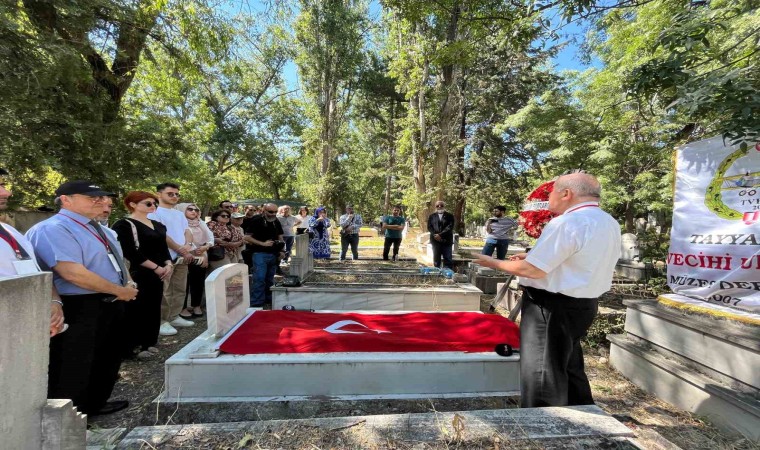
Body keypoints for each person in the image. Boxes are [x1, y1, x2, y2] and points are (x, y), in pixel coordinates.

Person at [475, 173, 621, 408]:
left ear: (566, 194)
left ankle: (544, 421)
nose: (548, 197)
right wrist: (532, 254)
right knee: (567, 362)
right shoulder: (607, 221)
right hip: (583, 304)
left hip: (551, 307)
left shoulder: (567, 222)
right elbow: (578, 257)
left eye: (551, 192)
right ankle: (580, 409)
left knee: (541, 369)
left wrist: (492, 262)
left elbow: (532, 271)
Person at [26, 180, 138, 416]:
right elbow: (71, 272)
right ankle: (71, 418)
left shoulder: (101, 228)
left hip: (111, 302)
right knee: (73, 363)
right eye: (93, 198)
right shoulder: (53, 228)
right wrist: (119, 291)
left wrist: (127, 282)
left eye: (103, 197)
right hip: (78, 305)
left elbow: (118, 261)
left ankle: (95, 403)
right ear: (66, 200)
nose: (102, 201)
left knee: (106, 357)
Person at [0, 168, 65, 338]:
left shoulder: (9, 230)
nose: (7, 192)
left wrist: (54, 302)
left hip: (25, 331)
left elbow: (37, 271)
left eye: (3, 185)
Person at [112, 191, 172, 360]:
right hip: (138, 273)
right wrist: (155, 267)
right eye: (148, 203)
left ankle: (148, 342)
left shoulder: (158, 224)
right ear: (132, 204)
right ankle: (132, 347)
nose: (153, 206)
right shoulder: (124, 224)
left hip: (159, 271)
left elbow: (163, 248)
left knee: (153, 306)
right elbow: (130, 251)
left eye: (155, 204)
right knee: (136, 308)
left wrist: (168, 264)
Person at [147, 183, 194, 336]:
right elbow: (161, 235)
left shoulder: (179, 214)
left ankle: (174, 316)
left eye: (177, 194)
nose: (175, 197)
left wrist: (187, 245)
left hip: (182, 256)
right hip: (164, 257)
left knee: (179, 288)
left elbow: (187, 231)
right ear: (159, 194)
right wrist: (180, 249)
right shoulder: (154, 212)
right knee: (164, 291)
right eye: (170, 194)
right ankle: (161, 321)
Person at [176, 203, 213, 319]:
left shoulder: (200, 223)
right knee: (183, 283)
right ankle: (181, 308)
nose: (194, 212)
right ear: (182, 210)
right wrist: (190, 250)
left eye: (196, 209)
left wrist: (204, 248)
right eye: (190, 209)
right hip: (183, 255)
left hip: (200, 254)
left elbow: (210, 239)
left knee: (198, 280)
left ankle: (196, 305)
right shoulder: (178, 223)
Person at [246, 203, 285, 306]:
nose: (273, 214)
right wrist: (262, 243)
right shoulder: (256, 220)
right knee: (259, 279)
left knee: (270, 279)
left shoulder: (276, 221)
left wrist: (282, 251)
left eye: (275, 212)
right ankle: (256, 303)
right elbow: (247, 237)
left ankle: (269, 299)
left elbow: (280, 237)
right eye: (270, 212)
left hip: (274, 254)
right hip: (259, 254)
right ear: (263, 211)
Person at [427, 201, 455, 269]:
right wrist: (435, 235)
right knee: (436, 258)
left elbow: (450, 227)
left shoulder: (450, 216)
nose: (439, 206)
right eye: (437, 206)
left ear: (444, 206)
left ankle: (448, 273)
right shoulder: (432, 216)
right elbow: (429, 227)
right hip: (435, 241)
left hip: (446, 240)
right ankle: (437, 272)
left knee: (448, 258)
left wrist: (440, 235)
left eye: (441, 205)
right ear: (435, 207)